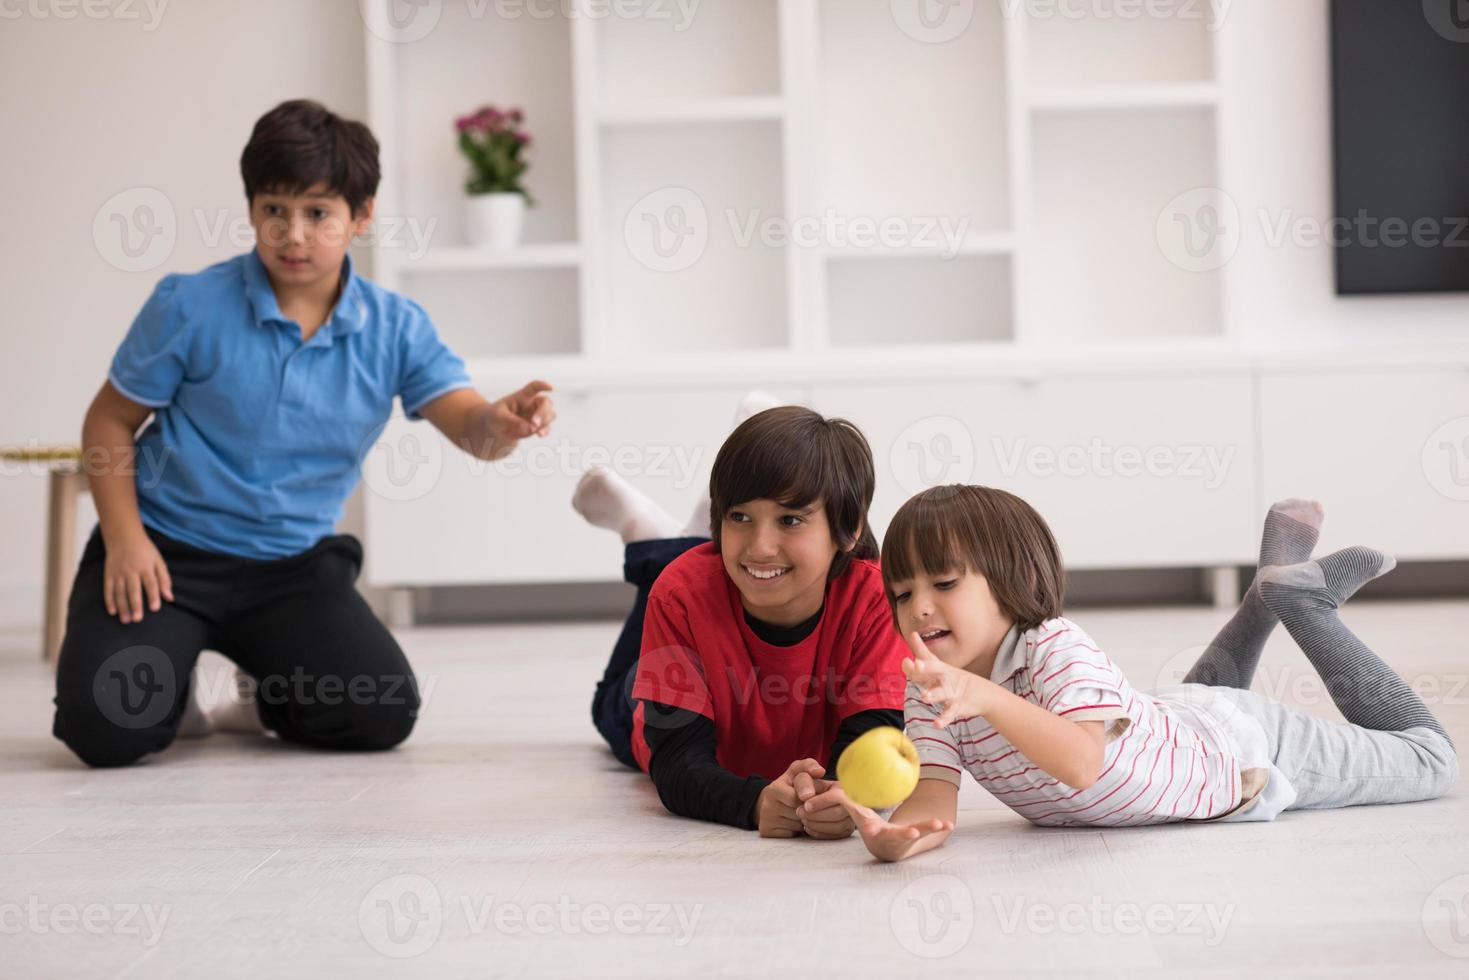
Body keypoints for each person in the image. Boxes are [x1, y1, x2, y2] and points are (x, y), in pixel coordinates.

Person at [53, 99, 556, 768]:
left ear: (362, 216)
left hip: (289, 568)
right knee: (105, 733)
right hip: (167, 552)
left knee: (380, 712)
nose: (293, 234)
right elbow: (109, 420)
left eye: (318, 213)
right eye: (274, 210)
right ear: (252, 210)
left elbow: (472, 429)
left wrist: (501, 422)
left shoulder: (396, 327)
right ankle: (171, 688)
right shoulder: (189, 304)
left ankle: (257, 692)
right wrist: (125, 540)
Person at [838, 487, 1458, 861]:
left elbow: (1084, 764)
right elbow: (934, 794)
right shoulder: (933, 686)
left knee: (1432, 760)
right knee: (1199, 706)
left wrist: (984, 698)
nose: (918, 607)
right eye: (901, 592)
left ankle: (1306, 608)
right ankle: (1269, 593)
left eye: (943, 584)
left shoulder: (1053, 646)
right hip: (1174, 722)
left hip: (1245, 747)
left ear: (1013, 581)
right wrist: (901, 836)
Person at [574, 401, 908, 836]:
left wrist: (840, 796)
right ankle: (645, 532)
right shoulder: (682, 593)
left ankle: (672, 532)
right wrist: (752, 804)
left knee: (713, 567)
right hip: (666, 669)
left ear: (848, 531)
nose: (761, 544)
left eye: (790, 519)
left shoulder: (876, 596)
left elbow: (875, 735)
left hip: (716, 576)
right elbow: (676, 764)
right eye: (739, 516)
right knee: (610, 707)